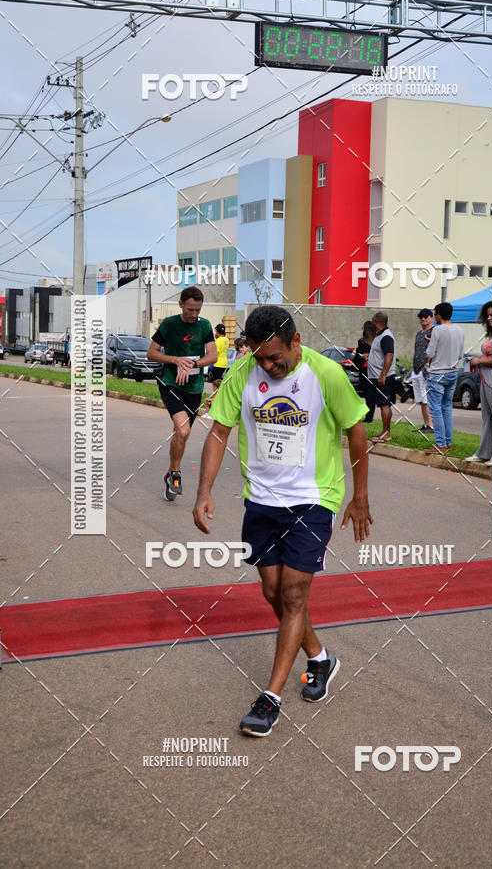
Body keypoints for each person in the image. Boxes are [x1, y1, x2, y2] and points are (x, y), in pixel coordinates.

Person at [193, 305, 372, 737]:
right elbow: (219, 431)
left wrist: (360, 496)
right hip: (261, 501)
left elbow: (356, 430)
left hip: (314, 499)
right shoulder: (243, 374)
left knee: (293, 593)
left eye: (275, 357)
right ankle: (320, 657)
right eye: (260, 358)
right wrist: (204, 491)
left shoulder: (326, 374)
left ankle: (269, 699)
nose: (269, 366)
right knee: (273, 592)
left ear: (295, 342)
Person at [147, 285, 217, 501]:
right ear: (180, 305)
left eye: (197, 310)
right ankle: (176, 474)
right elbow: (151, 353)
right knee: (184, 431)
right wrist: (175, 360)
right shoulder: (169, 325)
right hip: (171, 384)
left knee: (181, 434)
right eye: (190, 310)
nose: (194, 314)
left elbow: (213, 356)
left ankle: (170, 473)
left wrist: (193, 363)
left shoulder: (204, 325)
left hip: (194, 388)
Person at [422, 302, 464, 454]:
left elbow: (430, 353)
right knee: (447, 408)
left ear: (438, 315)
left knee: (435, 409)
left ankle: (440, 444)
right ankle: (448, 442)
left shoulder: (437, 330)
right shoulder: (459, 330)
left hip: (438, 373)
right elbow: (460, 355)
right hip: (453, 372)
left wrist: (431, 343)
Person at [465, 301, 492, 463]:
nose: (489, 318)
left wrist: (479, 361)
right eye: (487, 315)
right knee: (487, 418)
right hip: (485, 380)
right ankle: (484, 452)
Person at [366, 311, 396, 443]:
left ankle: (387, 433)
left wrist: (383, 375)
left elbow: (389, 355)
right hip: (378, 376)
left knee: (384, 405)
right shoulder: (380, 335)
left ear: (377, 321)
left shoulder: (386, 336)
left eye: (373, 319)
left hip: (384, 377)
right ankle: (384, 431)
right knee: (383, 404)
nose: (371, 321)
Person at [410, 308, 434, 435]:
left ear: (431, 318)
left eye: (426, 316)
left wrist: (429, 365)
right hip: (417, 369)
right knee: (420, 399)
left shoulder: (434, 331)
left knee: (427, 399)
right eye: (421, 317)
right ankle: (426, 424)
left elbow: (434, 349)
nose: (423, 319)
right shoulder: (419, 334)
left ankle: (431, 425)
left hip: (427, 370)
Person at [354, 320, 376, 419]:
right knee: (371, 394)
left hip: (365, 369)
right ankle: (370, 415)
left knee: (367, 394)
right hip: (375, 370)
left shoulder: (362, 342)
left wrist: (361, 355)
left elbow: (358, 355)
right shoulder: (377, 341)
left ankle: (369, 416)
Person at [212, 323, 229, 390]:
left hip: (218, 363)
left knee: (216, 383)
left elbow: (216, 353)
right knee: (220, 381)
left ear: (217, 331)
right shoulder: (226, 339)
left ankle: (216, 395)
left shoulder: (218, 341)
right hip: (224, 363)